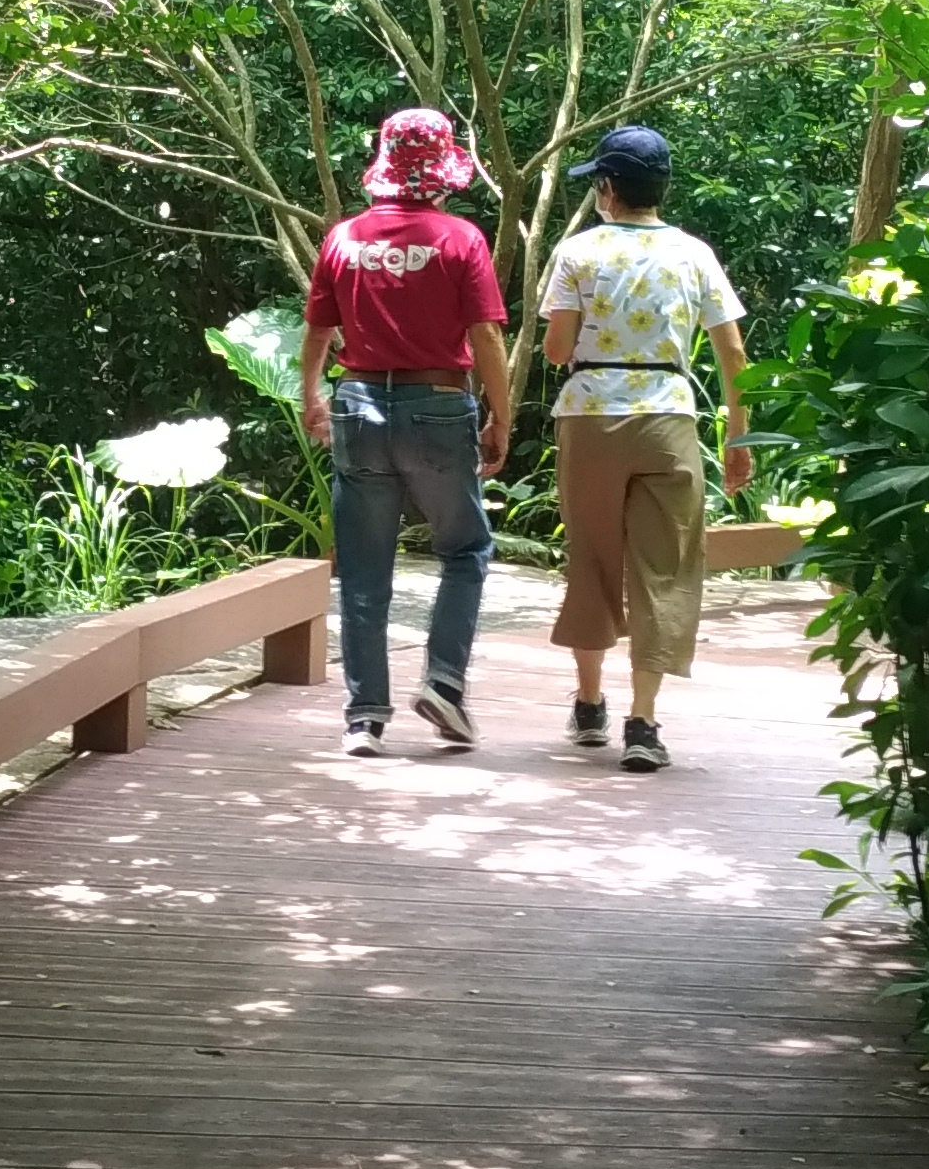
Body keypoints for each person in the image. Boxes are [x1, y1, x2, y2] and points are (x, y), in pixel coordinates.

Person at [298, 109, 514, 754]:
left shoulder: (344, 238)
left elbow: (318, 330)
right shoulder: (460, 238)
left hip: (359, 401)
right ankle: (443, 683)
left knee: (364, 570)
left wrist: (312, 395)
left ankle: (364, 719)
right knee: (465, 550)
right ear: (442, 174)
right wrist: (502, 416)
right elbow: (485, 335)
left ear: (385, 168)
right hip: (439, 404)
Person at [535, 122, 749, 770]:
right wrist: (738, 436)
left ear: (607, 187)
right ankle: (644, 721)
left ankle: (589, 705)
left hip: (590, 418)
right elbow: (734, 354)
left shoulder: (578, 252)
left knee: (592, 556)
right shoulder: (694, 254)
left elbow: (557, 350)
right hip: (668, 417)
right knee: (667, 565)